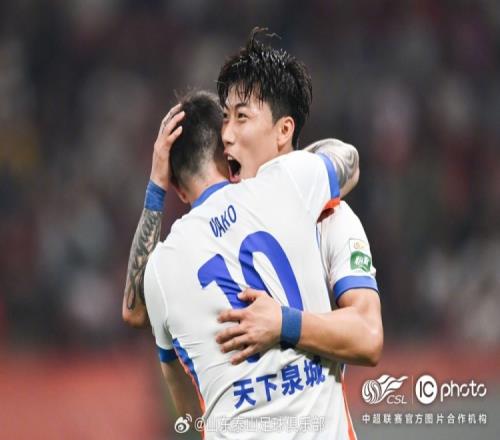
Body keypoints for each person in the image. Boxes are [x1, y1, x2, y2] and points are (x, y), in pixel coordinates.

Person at [144, 89, 360, 439]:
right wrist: (280, 168)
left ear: (178, 190)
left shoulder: (159, 269)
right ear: (228, 151)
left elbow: (184, 413)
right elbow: (347, 158)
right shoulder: (286, 185)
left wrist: (156, 186)